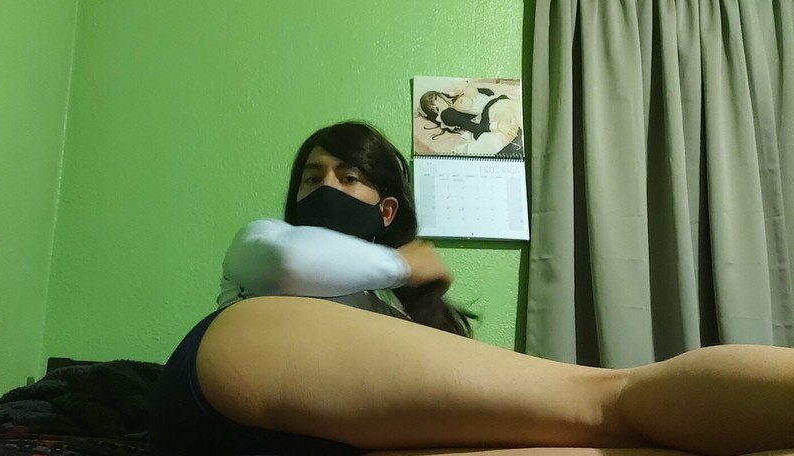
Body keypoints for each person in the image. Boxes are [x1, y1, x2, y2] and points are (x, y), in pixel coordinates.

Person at [148, 121, 794, 456]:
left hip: (337, 444)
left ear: (387, 209)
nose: (325, 188)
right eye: (312, 176)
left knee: (611, 445)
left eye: (349, 177)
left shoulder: (392, 317)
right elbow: (290, 264)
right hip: (236, 384)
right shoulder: (264, 237)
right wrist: (406, 264)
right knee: (607, 401)